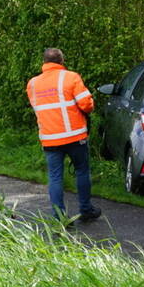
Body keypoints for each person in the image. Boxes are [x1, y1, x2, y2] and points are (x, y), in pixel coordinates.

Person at [26, 48, 101, 222]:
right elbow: (86, 104)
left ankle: (60, 217)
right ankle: (86, 210)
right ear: (62, 60)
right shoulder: (71, 77)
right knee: (82, 171)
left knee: (55, 177)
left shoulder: (33, 84)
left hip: (50, 138)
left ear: (44, 62)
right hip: (75, 136)